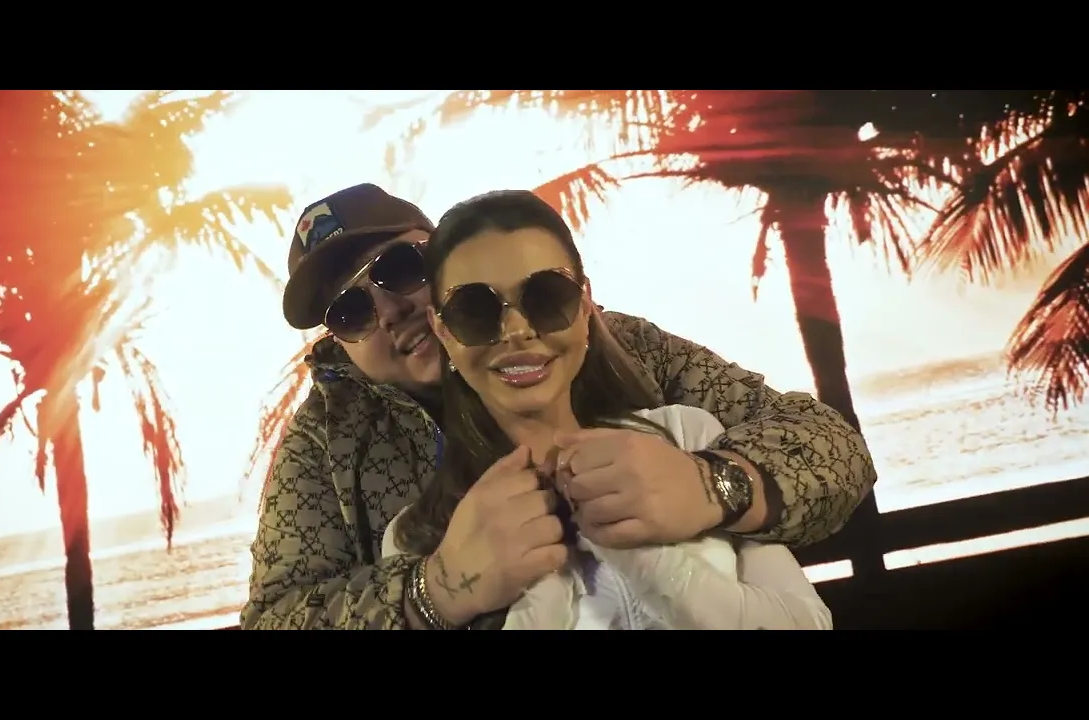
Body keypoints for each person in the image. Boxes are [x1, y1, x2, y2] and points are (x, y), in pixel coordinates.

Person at [244, 183, 875, 630]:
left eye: (398, 268)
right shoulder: (327, 442)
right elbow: (274, 618)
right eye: (349, 311)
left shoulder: (614, 342)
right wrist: (434, 588)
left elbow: (834, 449)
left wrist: (711, 486)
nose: (387, 310)